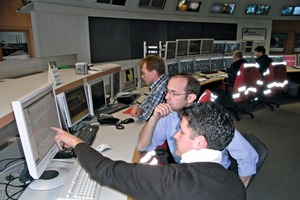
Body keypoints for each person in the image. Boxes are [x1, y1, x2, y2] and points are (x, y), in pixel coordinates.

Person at [53, 102, 246, 200]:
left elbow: (105, 171)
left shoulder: (173, 181)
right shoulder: (235, 184)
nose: (176, 136)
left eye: (182, 131)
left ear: (199, 142)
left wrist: (76, 142)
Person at [137, 74, 258, 187]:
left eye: (174, 93)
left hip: (212, 179)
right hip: (185, 173)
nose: (166, 97)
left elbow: (249, 156)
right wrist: (153, 118)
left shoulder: (209, 120)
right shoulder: (169, 116)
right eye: (167, 91)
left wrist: (236, 192)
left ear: (190, 97)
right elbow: (143, 147)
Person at [130, 55, 168, 121]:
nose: (142, 76)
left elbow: (148, 117)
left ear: (153, 73)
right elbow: (148, 102)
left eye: (143, 73)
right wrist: (140, 110)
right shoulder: (160, 82)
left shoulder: (160, 89)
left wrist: (137, 114)